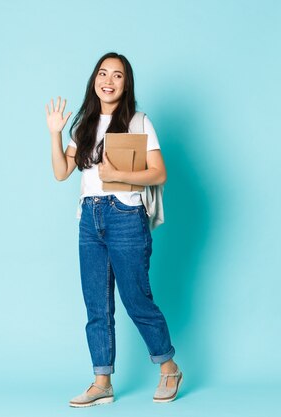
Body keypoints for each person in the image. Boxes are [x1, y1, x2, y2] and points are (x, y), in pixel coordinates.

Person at [45, 52, 183, 407]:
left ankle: (168, 366)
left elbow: (159, 172)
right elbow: (62, 172)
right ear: (95, 80)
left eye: (117, 75)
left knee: (136, 299)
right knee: (96, 304)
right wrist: (55, 134)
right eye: (103, 73)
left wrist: (117, 176)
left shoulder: (138, 122)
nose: (109, 80)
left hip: (125, 215)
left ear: (126, 83)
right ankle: (101, 381)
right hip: (89, 218)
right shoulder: (85, 124)